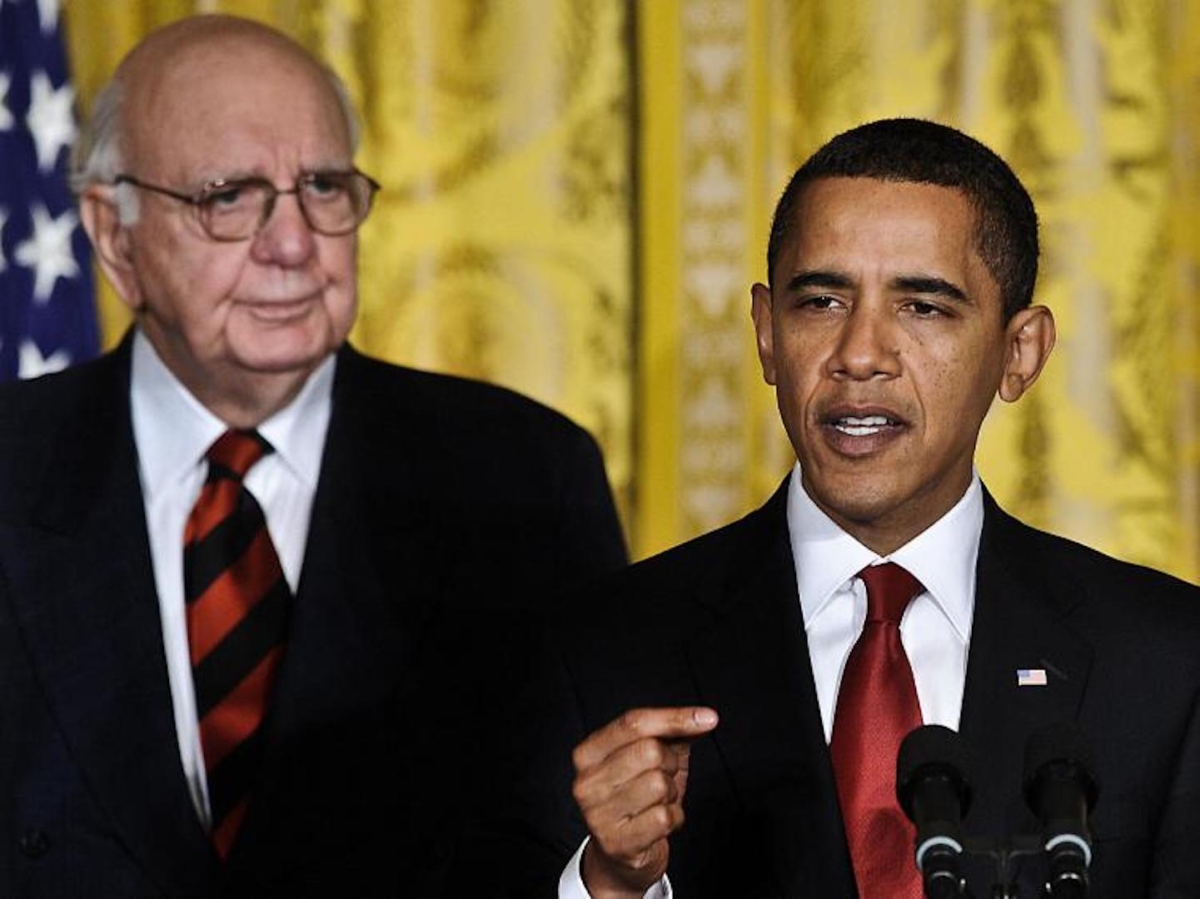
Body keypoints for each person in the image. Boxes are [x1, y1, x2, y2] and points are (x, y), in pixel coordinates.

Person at [0, 14, 626, 898]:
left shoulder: (522, 481)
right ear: (114, 236)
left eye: (324, 188)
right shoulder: (14, 466)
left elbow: (572, 849)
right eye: (228, 196)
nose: (293, 245)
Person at [555, 119, 1200, 898]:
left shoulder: (1166, 662)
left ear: (1019, 352)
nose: (860, 354)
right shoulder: (603, 649)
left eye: (923, 307)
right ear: (765, 333)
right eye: (821, 300)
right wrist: (612, 883)